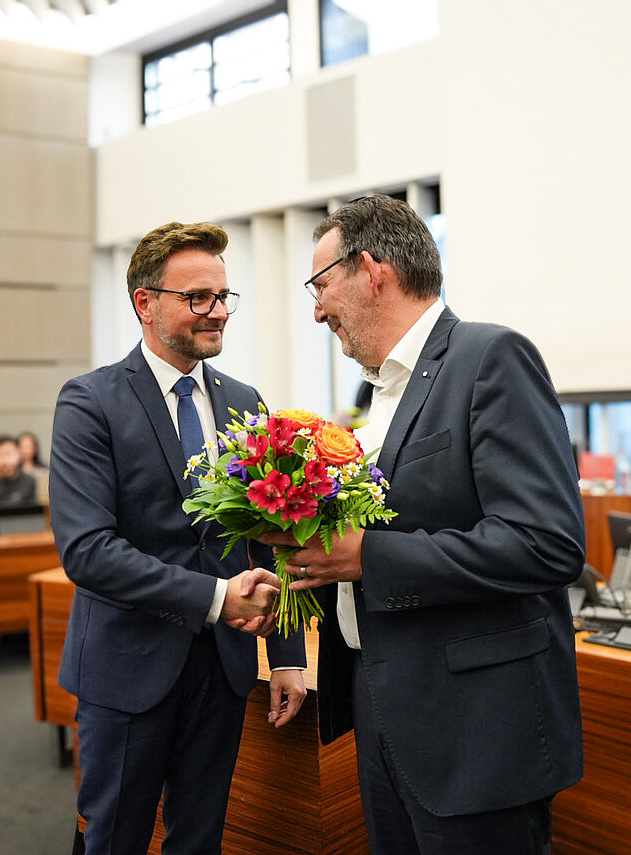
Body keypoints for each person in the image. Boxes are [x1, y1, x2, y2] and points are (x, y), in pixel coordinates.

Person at [256, 195, 585, 855]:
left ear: (372, 270)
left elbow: (547, 544)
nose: (317, 309)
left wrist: (364, 558)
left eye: (321, 286)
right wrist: (303, 577)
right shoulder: (370, 396)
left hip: (476, 735)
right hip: (387, 716)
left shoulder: (491, 358)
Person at [50, 221, 307, 855]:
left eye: (223, 297)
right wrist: (218, 598)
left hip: (222, 670)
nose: (217, 312)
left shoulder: (245, 401)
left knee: (201, 840)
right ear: (145, 303)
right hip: (126, 668)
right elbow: (87, 551)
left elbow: (274, 536)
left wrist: (288, 654)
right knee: (115, 839)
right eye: (198, 298)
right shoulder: (91, 401)